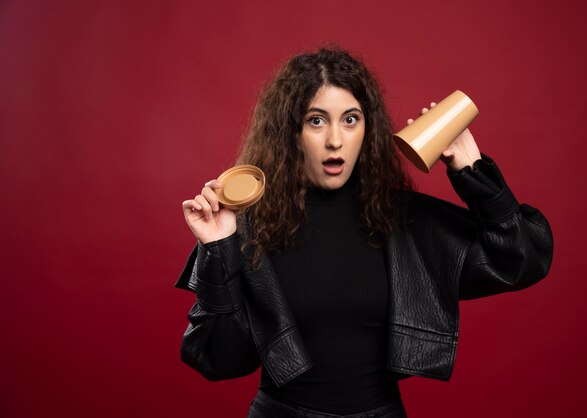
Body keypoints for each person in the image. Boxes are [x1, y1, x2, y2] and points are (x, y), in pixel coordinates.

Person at [175, 47, 553, 418]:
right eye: (316, 120)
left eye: (351, 119)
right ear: (290, 132)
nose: (335, 140)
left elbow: (523, 257)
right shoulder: (249, 225)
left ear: (367, 129)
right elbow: (218, 360)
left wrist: (472, 173)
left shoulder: (404, 221)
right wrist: (219, 248)